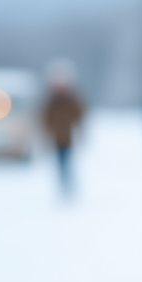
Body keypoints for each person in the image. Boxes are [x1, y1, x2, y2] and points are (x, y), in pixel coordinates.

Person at [41, 60, 84, 194]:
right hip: (56, 138)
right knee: (60, 163)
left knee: (67, 161)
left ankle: (69, 184)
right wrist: (45, 134)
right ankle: (64, 184)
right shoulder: (51, 103)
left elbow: (79, 115)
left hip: (68, 137)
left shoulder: (71, 102)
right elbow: (45, 119)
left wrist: (80, 131)